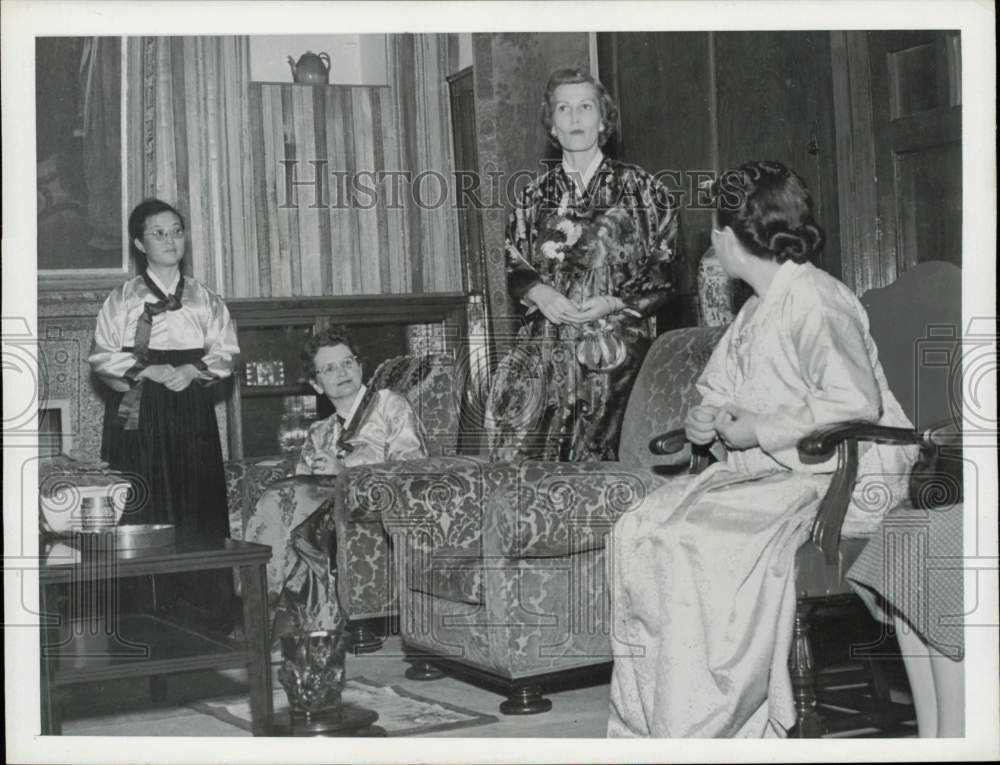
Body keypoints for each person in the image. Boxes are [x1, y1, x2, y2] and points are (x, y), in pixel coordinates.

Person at [606, 160, 919, 737]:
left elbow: (854, 402)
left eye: (712, 235)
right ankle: (658, 720)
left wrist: (760, 429)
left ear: (726, 238)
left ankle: (711, 721)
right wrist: (705, 420)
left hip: (827, 480)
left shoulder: (816, 299)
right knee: (637, 528)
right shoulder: (754, 309)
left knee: (684, 542)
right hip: (767, 476)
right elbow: (721, 391)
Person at [486, 66, 679, 462]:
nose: (575, 117)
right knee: (530, 462)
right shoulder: (532, 197)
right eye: (564, 108)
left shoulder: (642, 189)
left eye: (586, 106)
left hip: (615, 349)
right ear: (552, 125)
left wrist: (613, 301)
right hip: (548, 349)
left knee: (607, 456)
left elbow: (665, 263)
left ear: (603, 119)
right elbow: (513, 259)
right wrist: (539, 292)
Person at [89, 198, 239, 623]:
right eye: (159, 233)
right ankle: (144, 616)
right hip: (139, 411)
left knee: (198, 501)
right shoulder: (122, 300)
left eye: (176, 230)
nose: (170, 240)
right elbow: (101, 357)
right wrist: (149, 371)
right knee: (144, 503)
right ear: (140, 243)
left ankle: (208, 615)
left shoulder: (205, 299)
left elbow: (226, 353)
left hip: (191, 410)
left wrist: (193, 370)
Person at [248, 329, 427, 635]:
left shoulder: (389, 404)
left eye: (347, 362)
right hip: (325, 514)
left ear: (360, 367)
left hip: (375, 507)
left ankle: (258, 617)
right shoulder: (320, 431)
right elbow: (300, 485)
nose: (341, 372)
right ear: (317, 385)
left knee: (285, 507)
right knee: (284, 508)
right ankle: (301, 625)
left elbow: (411, 466)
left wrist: (345, 467)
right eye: (329, 368)